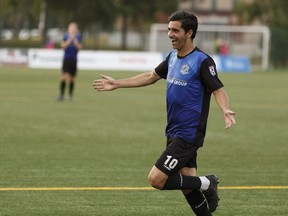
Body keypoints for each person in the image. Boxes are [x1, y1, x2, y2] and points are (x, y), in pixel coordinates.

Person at [92, 11, 236, 216]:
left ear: (189, 32)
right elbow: (151, 76)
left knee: (156, 179)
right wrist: (117, 83)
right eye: (169, 29)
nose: (170, 34)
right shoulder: (172, 57)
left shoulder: (202, 61)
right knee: (186, 182)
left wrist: (225, 110)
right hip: (173, 130)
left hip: (188, 133)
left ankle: (207, 182)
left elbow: (217, 89)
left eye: (175, 30)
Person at [58, 22, 82, 101]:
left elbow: (79, 47)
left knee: (72, 78)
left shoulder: (78, 37)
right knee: (63, 77)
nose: (72, 29)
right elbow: (63, 46)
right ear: (68, 29)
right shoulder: (65, 36)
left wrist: (74, 41)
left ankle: (70, 96)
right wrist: (69, 40)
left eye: (74, 28)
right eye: (71, 28)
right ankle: (61, 95)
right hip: (66, 59)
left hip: (74, 60)